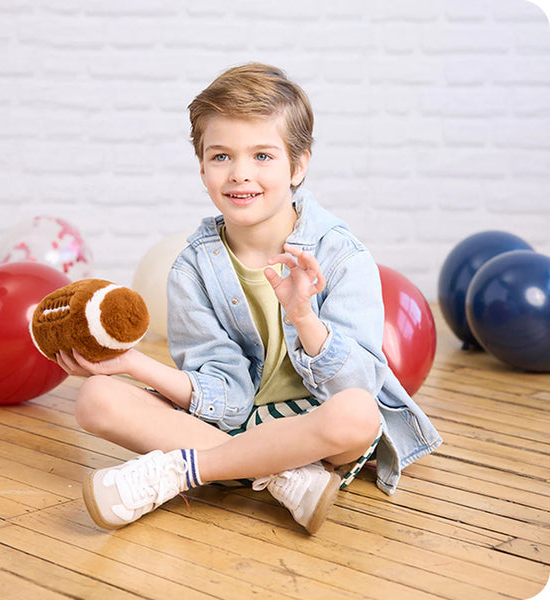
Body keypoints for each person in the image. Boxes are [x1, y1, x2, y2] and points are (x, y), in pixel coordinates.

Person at [57, 63, 442, 535]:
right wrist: (132, 365)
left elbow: (356, 384)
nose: (240, 175)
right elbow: (228, 399)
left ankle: (186, 470)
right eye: (221, 157)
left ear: (298, 165)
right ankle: (285, 476)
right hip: (233, 423)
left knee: (359, 413)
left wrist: (303, 316)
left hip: (318, 425)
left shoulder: (342, 255)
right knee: (95, 398)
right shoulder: (192, 269)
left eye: (263, 156)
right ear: (201, 167)